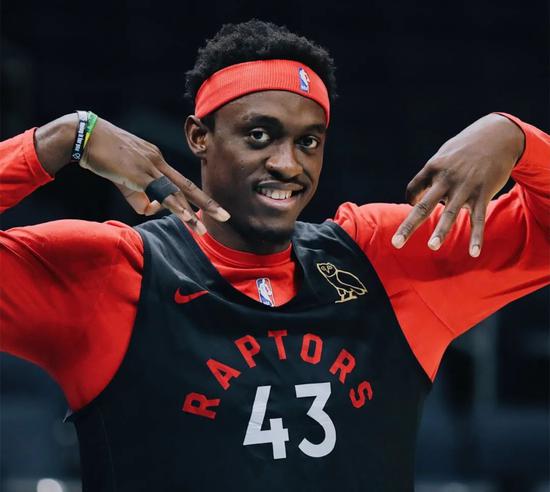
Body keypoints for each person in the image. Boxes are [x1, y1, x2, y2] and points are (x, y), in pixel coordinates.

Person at [1, 20, 548, 492]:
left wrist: (515, 137)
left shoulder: (386, 258)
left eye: (309, 141)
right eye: (259, 135)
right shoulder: (109, 271)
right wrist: (58, 141)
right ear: (198, 136)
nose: (288, 164)